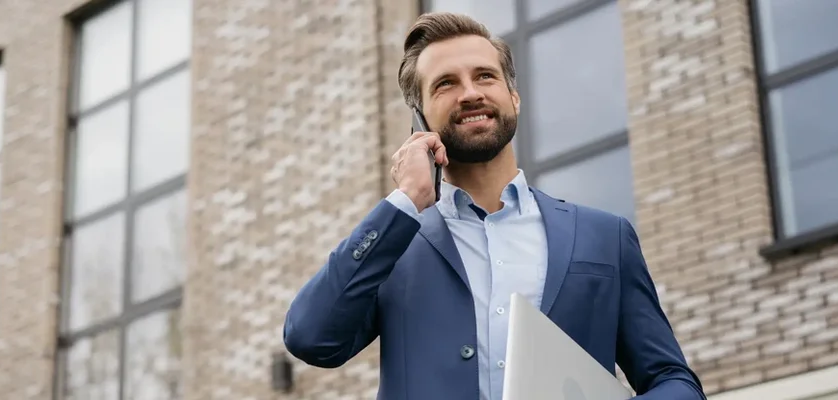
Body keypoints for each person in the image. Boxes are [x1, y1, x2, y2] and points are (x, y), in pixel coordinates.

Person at [282, 11, 705, 400]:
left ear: (513, 97)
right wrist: (405, 202)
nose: (470, 93)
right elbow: (311, 338)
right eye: (445, 83)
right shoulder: (395, 243)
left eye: (485, 76)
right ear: (420, 117)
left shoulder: (604, 237)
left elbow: (674, 381)